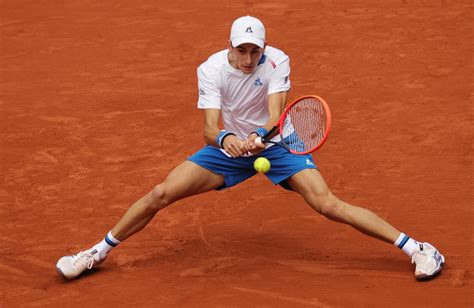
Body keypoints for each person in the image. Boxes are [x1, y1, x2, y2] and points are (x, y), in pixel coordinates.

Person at [56, 15, 445, 281]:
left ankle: (419, 249)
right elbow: (209, 128)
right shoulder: (210, 69)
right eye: (241, 51)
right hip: (230, 149)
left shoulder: (277, 62)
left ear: (264, 48)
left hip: (278, 143)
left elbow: (276, 113)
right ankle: (95, 253)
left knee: (328, 205)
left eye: (254, 51)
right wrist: (229, 139)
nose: (248, 59)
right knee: (161, 193)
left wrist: (260, 135)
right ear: (229, 46)